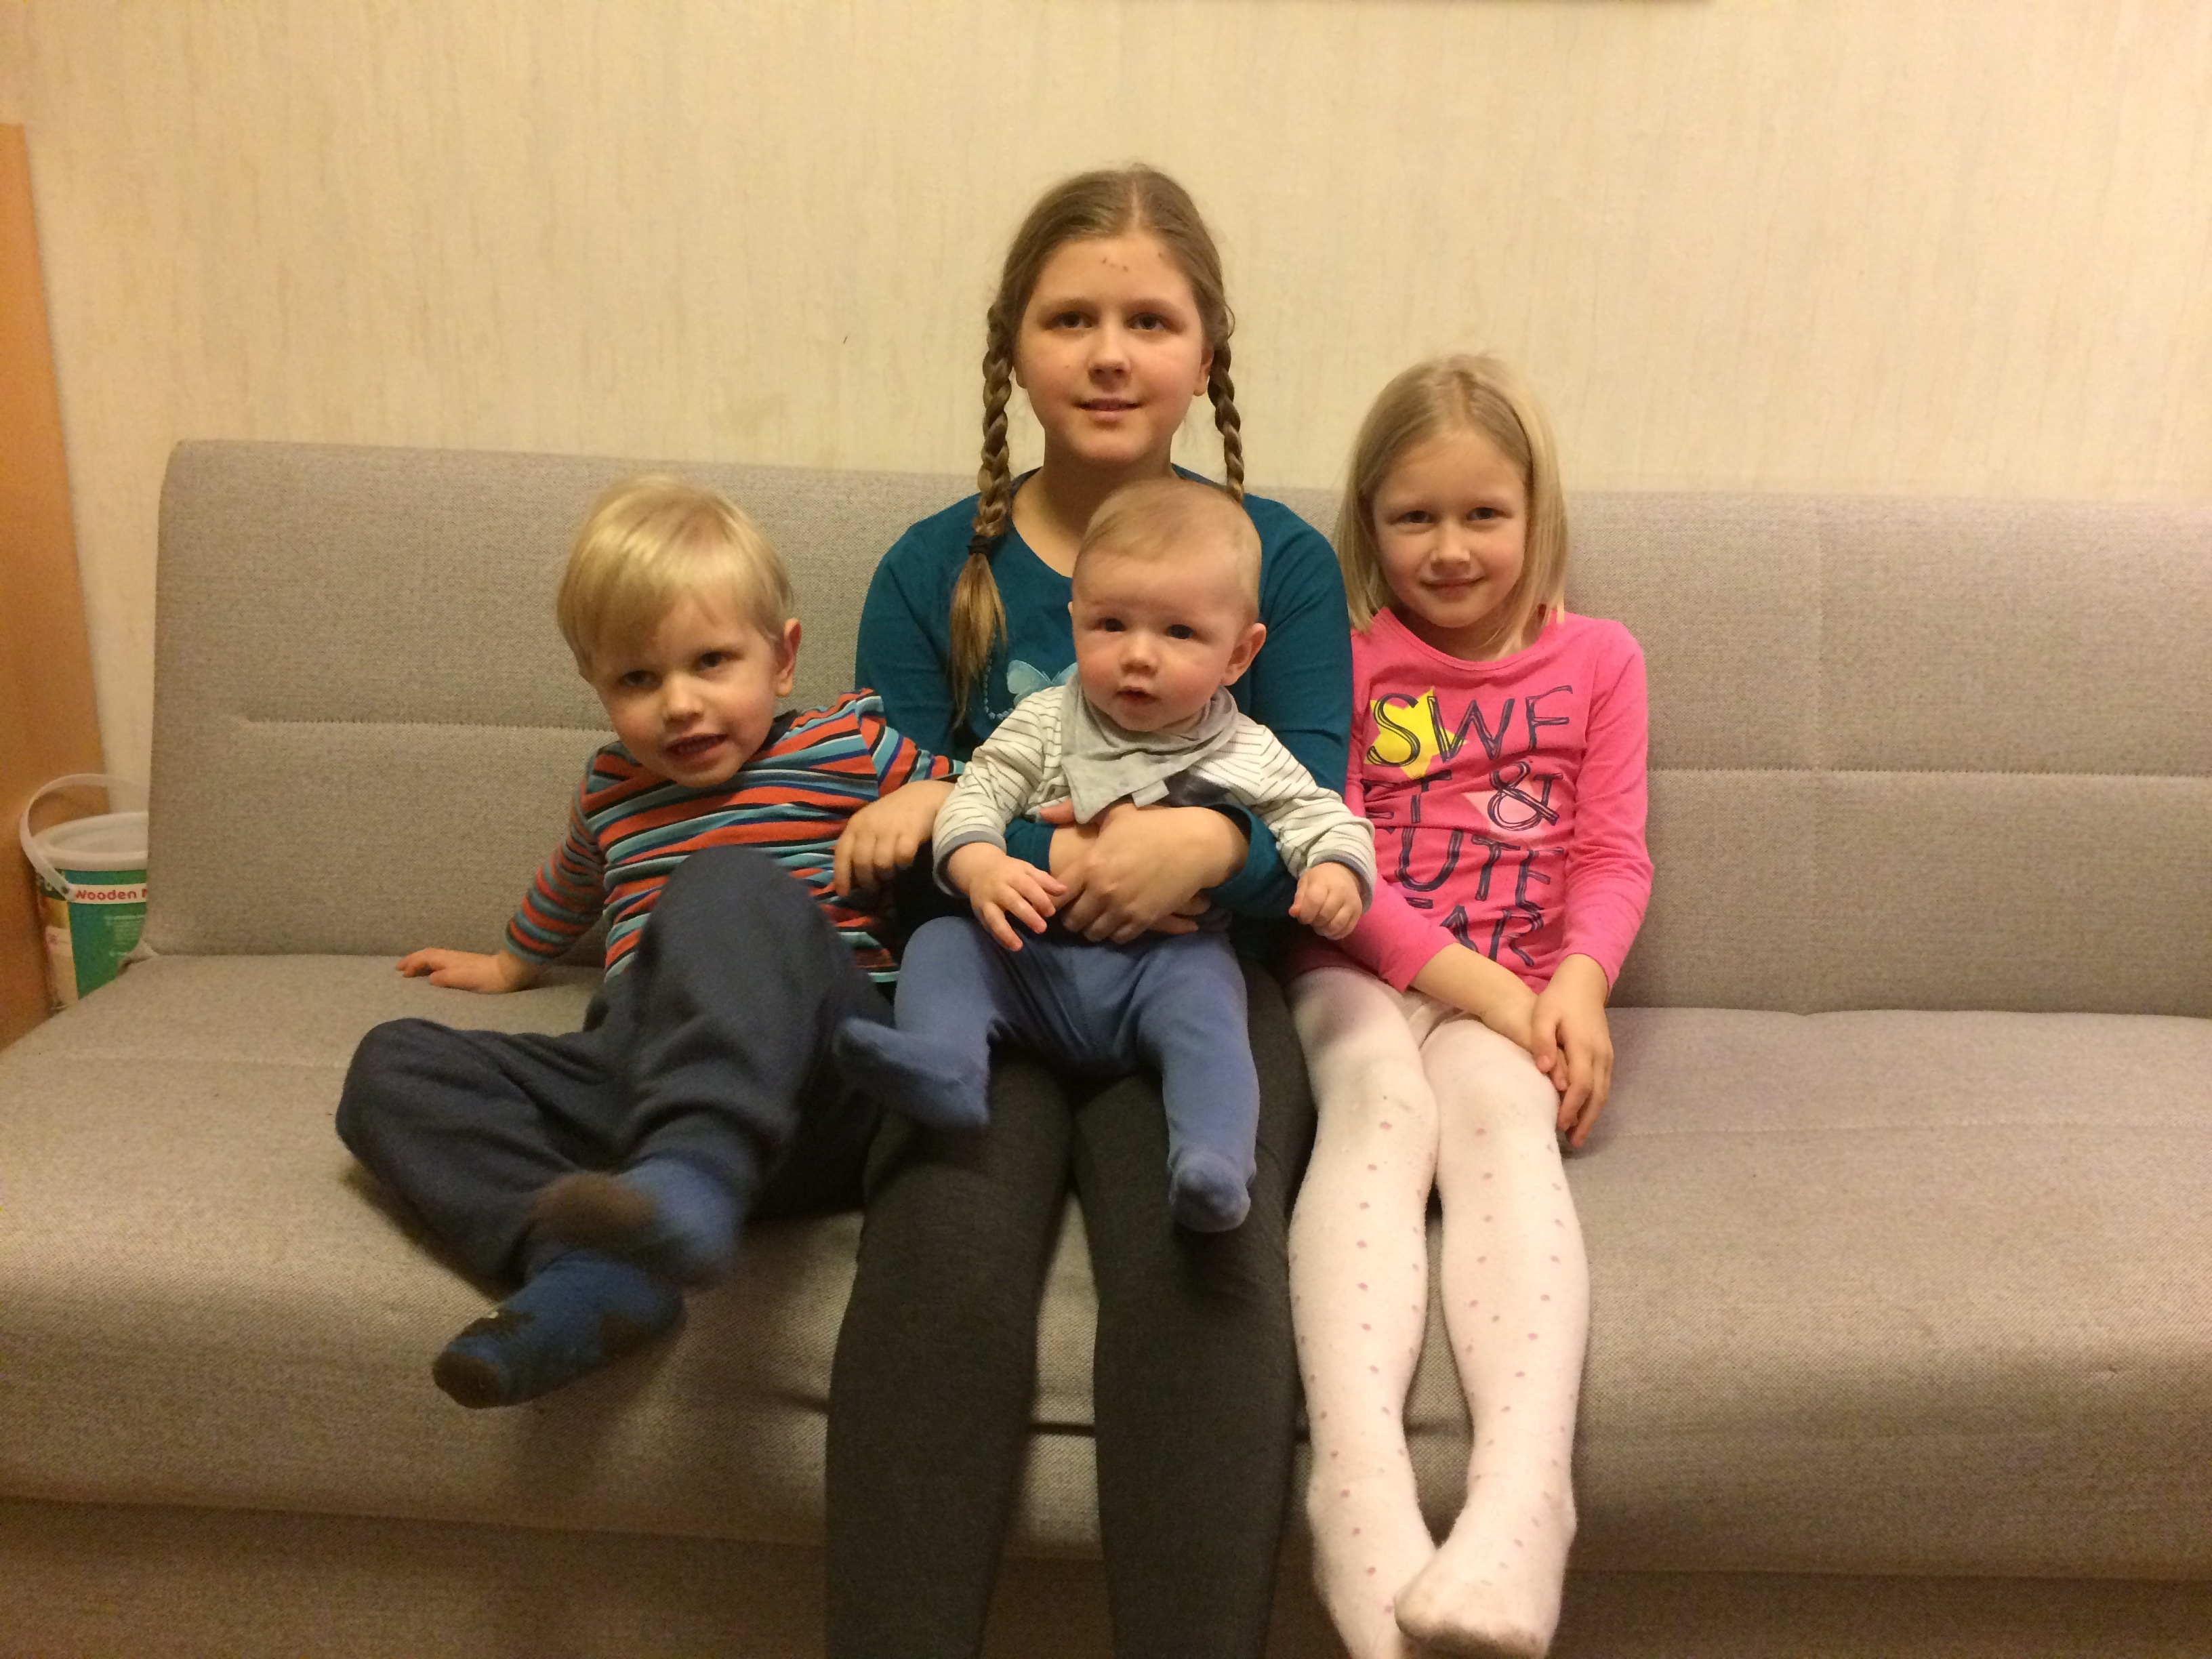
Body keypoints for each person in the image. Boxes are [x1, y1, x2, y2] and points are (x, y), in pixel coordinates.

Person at [822, 165, 1353, 1657]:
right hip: (991, 976)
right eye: (1069, 319)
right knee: (936, 1243)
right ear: (1012, 346)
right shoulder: (934, 569)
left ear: (1206, 350)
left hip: (1196, 977)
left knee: (1206, 1248)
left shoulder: (1280, 561)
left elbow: (1316, 805)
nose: (1109, 354)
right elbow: (894, 814)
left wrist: (1208, 848)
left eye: (1148, 321)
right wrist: (1020, 844)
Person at [335, 476, 949, 1409]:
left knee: (729, 880)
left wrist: (932, 795)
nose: (680, 704)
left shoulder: (849, 749)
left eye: (711, 662)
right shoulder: (611, 787)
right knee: (391, 1065)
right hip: (642, 1077)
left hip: (825, 1077)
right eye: (638, 679)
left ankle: (697, 1173)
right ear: (597, 685)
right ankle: (593, 1269)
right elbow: (572, 881)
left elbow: (998, 792)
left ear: (783, 659)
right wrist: (509, 963)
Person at [1285, 355, 1651, 1659]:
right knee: (1378, 1109)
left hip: (1520, 995)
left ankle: (1522, 1505)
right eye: (1413, 516)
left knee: (1500, 1123)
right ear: (1366, 521)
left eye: (1481, 514)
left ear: (1534, 511)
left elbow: (1610, 854)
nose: (1447, 548)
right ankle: (1354, 1494)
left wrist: (1576, 986)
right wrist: (1495, 991)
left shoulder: (1599, 658)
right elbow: (1327, 862)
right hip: (1354, 971)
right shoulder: (1337, 661)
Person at [834, 476, 1374, 1233]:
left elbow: (1320, 817)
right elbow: (971, 793)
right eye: (1111, 625)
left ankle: (1213, 1160)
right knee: (942, 946)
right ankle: (945, 1067)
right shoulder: (1045, 721)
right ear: (1075, 622)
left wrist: (1337, 871)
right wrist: (980, 863)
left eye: (1179, 633)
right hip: (1028, 957)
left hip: (1166, 964)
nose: (1138, 657)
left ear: (1239, 654)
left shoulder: (1246, 750)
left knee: (1215, 1012)